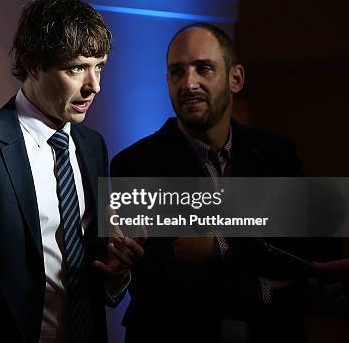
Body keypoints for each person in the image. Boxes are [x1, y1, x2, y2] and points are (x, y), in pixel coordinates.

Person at [111, 22, 332, 342]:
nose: (189, 83)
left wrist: (219, 245)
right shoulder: (135, 165)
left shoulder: (277, 154)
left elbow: (306, 247)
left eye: (204, 69)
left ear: (236, 78)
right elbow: (158, 281)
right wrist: (265, 287)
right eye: (177, 72)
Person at [0, 0, 144, 343]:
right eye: (76, 68)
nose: (93, 86)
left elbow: (96, 268)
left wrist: (116, 275)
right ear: (34, 65)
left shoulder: (93, 146)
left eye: (99, 67)